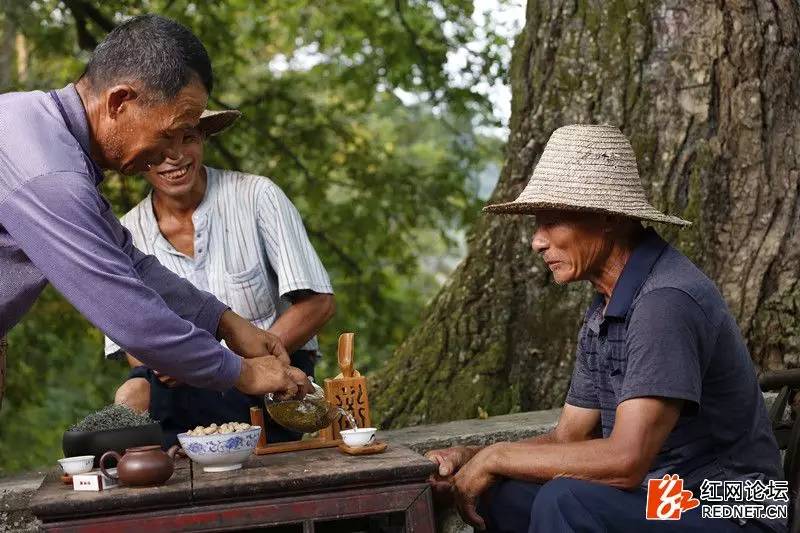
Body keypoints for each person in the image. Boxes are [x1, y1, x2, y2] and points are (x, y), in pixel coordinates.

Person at [426, 125, 785, 532]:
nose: (537, 242)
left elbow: (625, 462)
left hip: (739, 500)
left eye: (553, 221)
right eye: (536, 224)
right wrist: (476, 458)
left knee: (567, 501)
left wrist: (497, 457)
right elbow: (568, 441)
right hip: (666, 493)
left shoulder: (663, 302)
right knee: (502, 493)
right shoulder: (607, 305)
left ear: (606, 219)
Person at [0, 14, 313, 410]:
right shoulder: (50, 174)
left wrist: (225, 321)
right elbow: (128, 312)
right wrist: (245, 372)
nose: (172, 156)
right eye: (168, 133)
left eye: (188, 137)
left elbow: (131, 263)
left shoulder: (40, 130)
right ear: (119, 102)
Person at [109, 109, 335, 445]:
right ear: (142, 154)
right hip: (179, 382)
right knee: (132, 394)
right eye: (160, 144)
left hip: (266, 377)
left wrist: (241, 363)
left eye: (187, 138)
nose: (174, 157)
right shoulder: (125, 231)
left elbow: (317, 304)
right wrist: (175, 360)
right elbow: (134, 346)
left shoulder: (258, 195)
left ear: (203, 139)